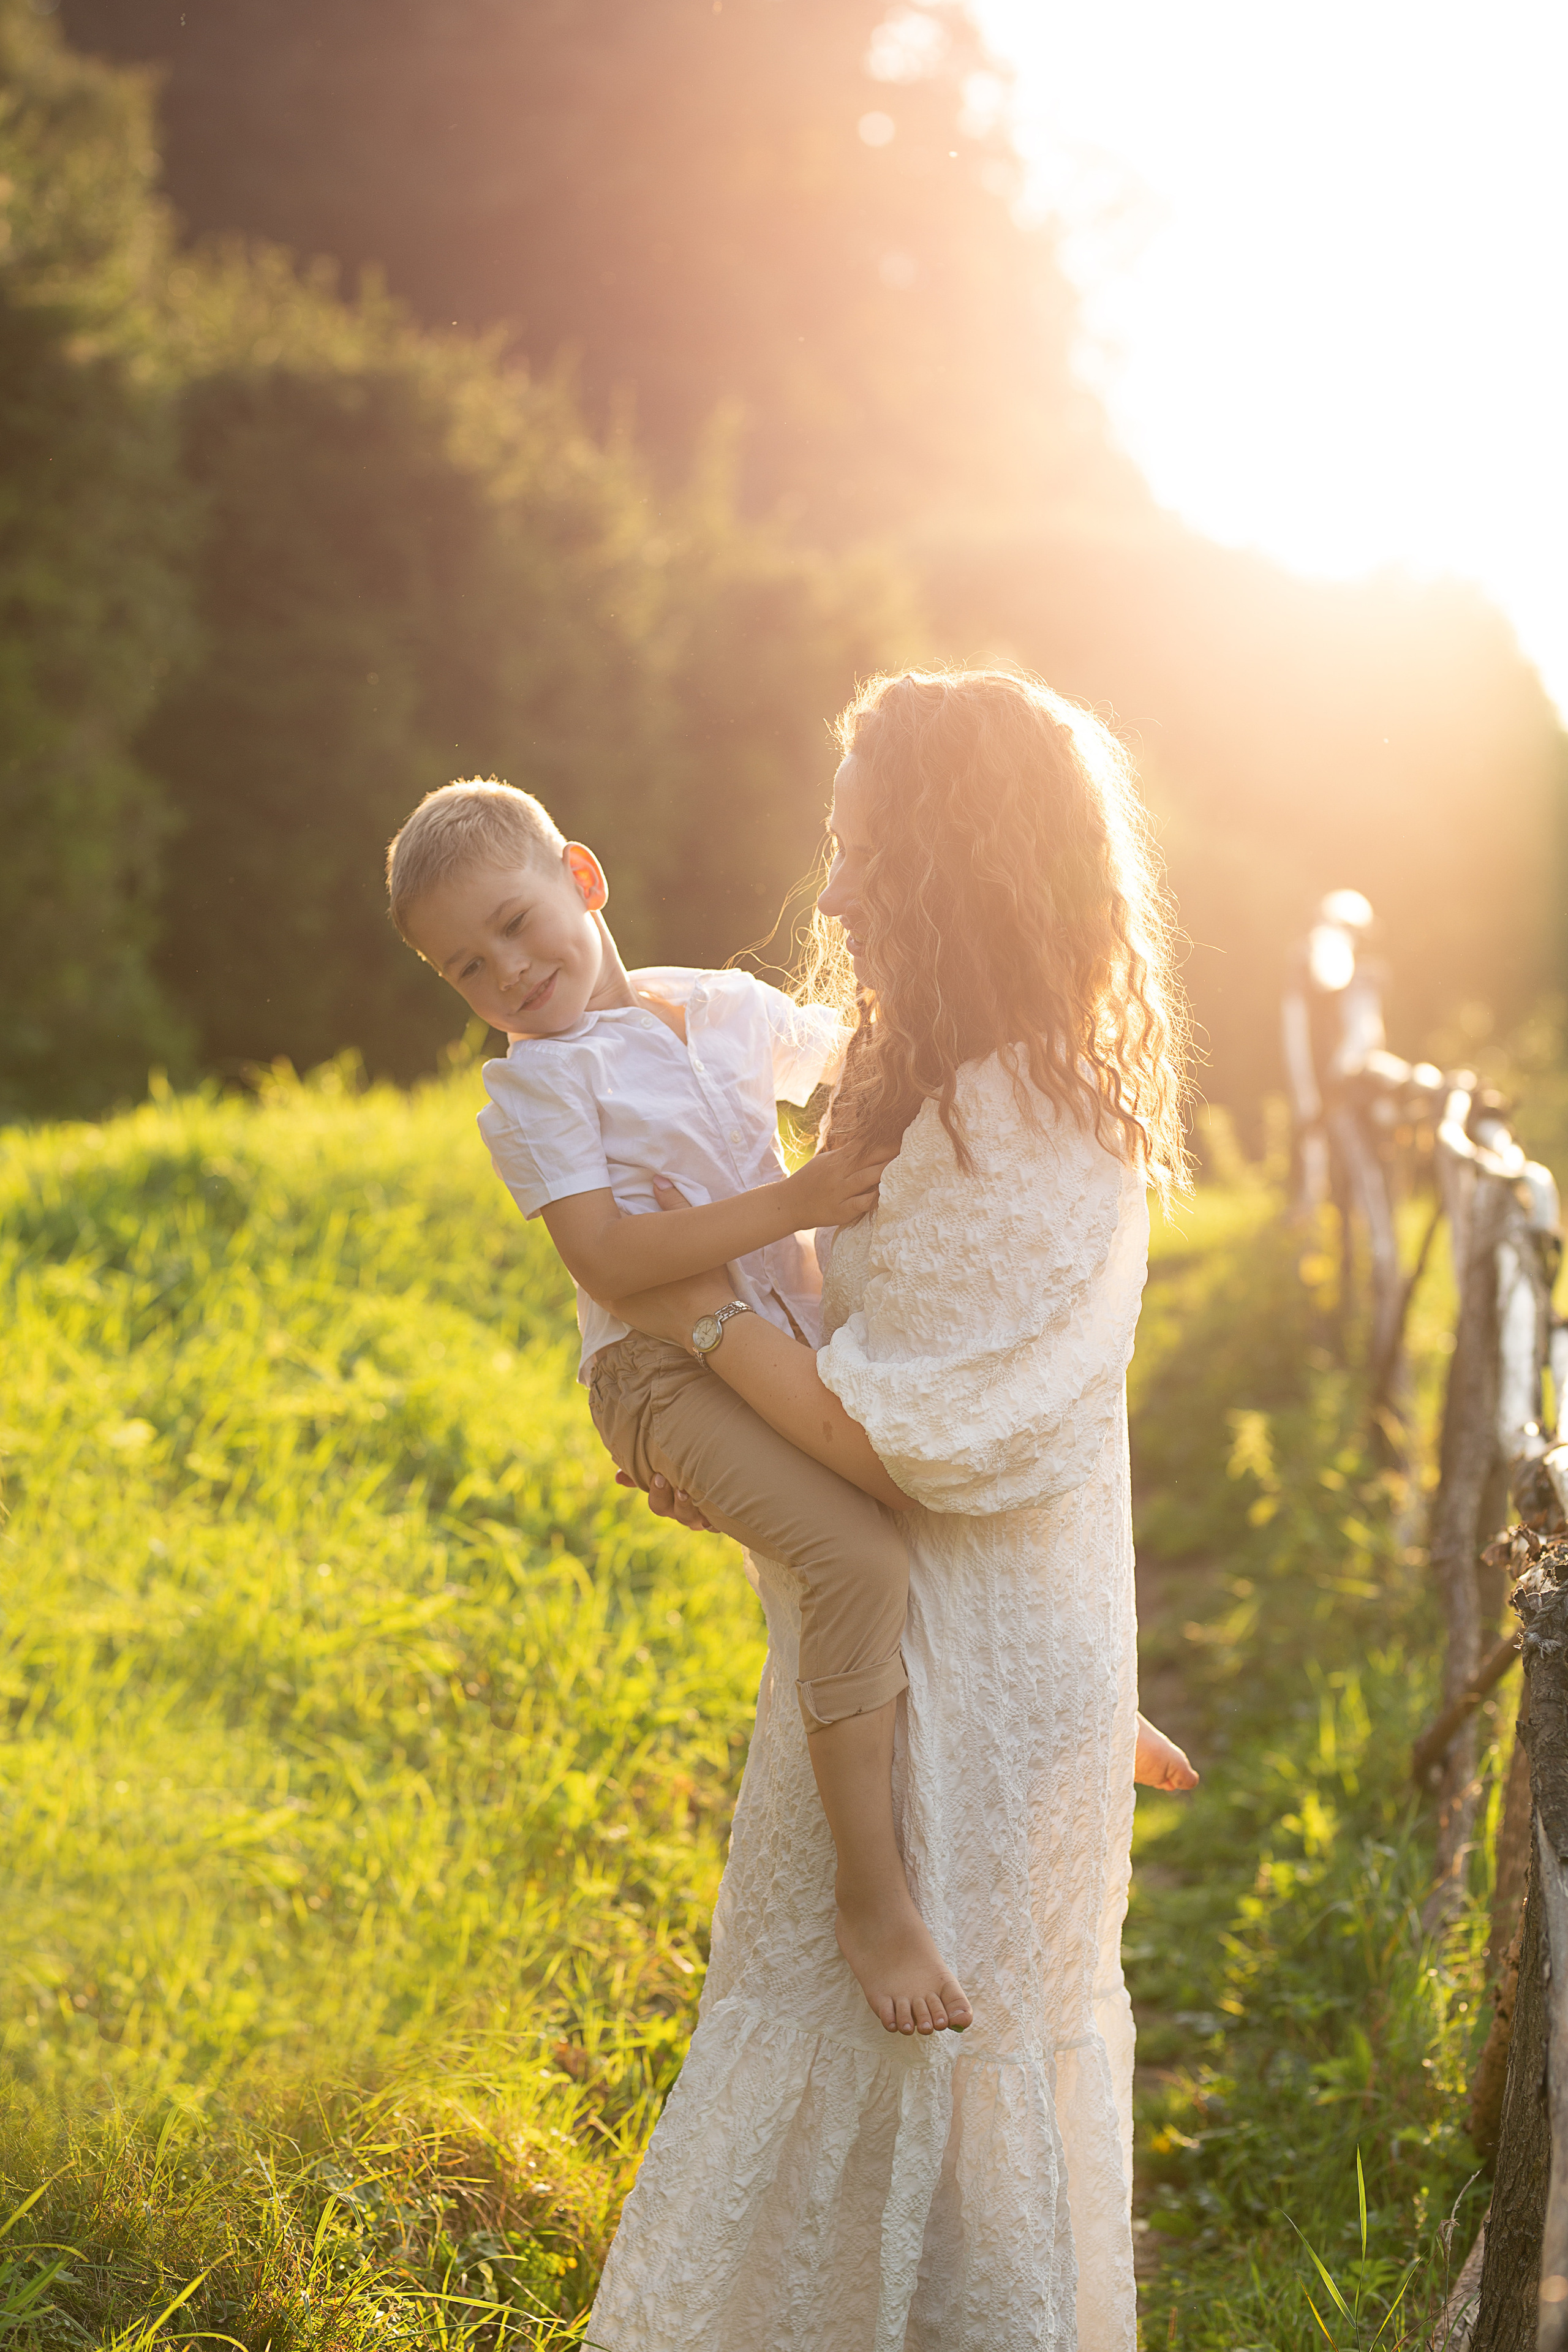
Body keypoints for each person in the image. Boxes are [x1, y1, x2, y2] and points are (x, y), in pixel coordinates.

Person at [584, 666, 1193, 2352]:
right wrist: (725, 1445)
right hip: (914, 1648)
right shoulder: (920, 1074)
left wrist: (680, 1322)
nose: (836, 891)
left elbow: (917, 1432)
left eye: (868, 851)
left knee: (942, 2070)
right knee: (836, 2039)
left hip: (979, 1686)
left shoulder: (1038, 1115)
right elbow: (867, 1366)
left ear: (958, 862)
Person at [383, 778, 973, 2037]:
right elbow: (604, 1260)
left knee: (935, 1472)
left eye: (512, 923)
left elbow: (861, 1063)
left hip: (779, 1330)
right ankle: (871, 1903)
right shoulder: (533, 1096)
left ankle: (1065, 1700)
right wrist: (795, 1204)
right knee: (855, 1556)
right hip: (654, 1370)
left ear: (580, 879)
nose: (505, 972)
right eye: (463, 967)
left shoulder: (720, 1007)